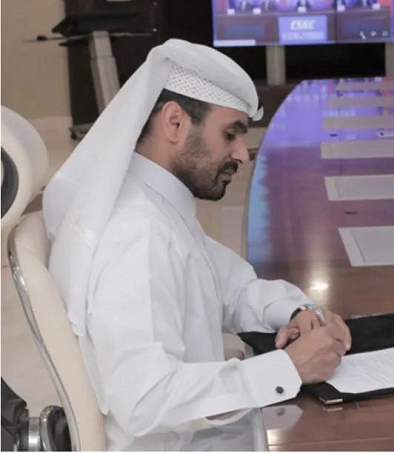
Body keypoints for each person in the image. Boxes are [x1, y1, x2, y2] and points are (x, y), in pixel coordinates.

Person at [43, 39, 351, 450]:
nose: (242, 154)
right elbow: (145, 398)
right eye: (230, 134)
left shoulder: (158, 208)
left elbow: (233, 290)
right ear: (174, 123)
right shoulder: (136, 234)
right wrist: (289, 367)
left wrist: (298, 312)